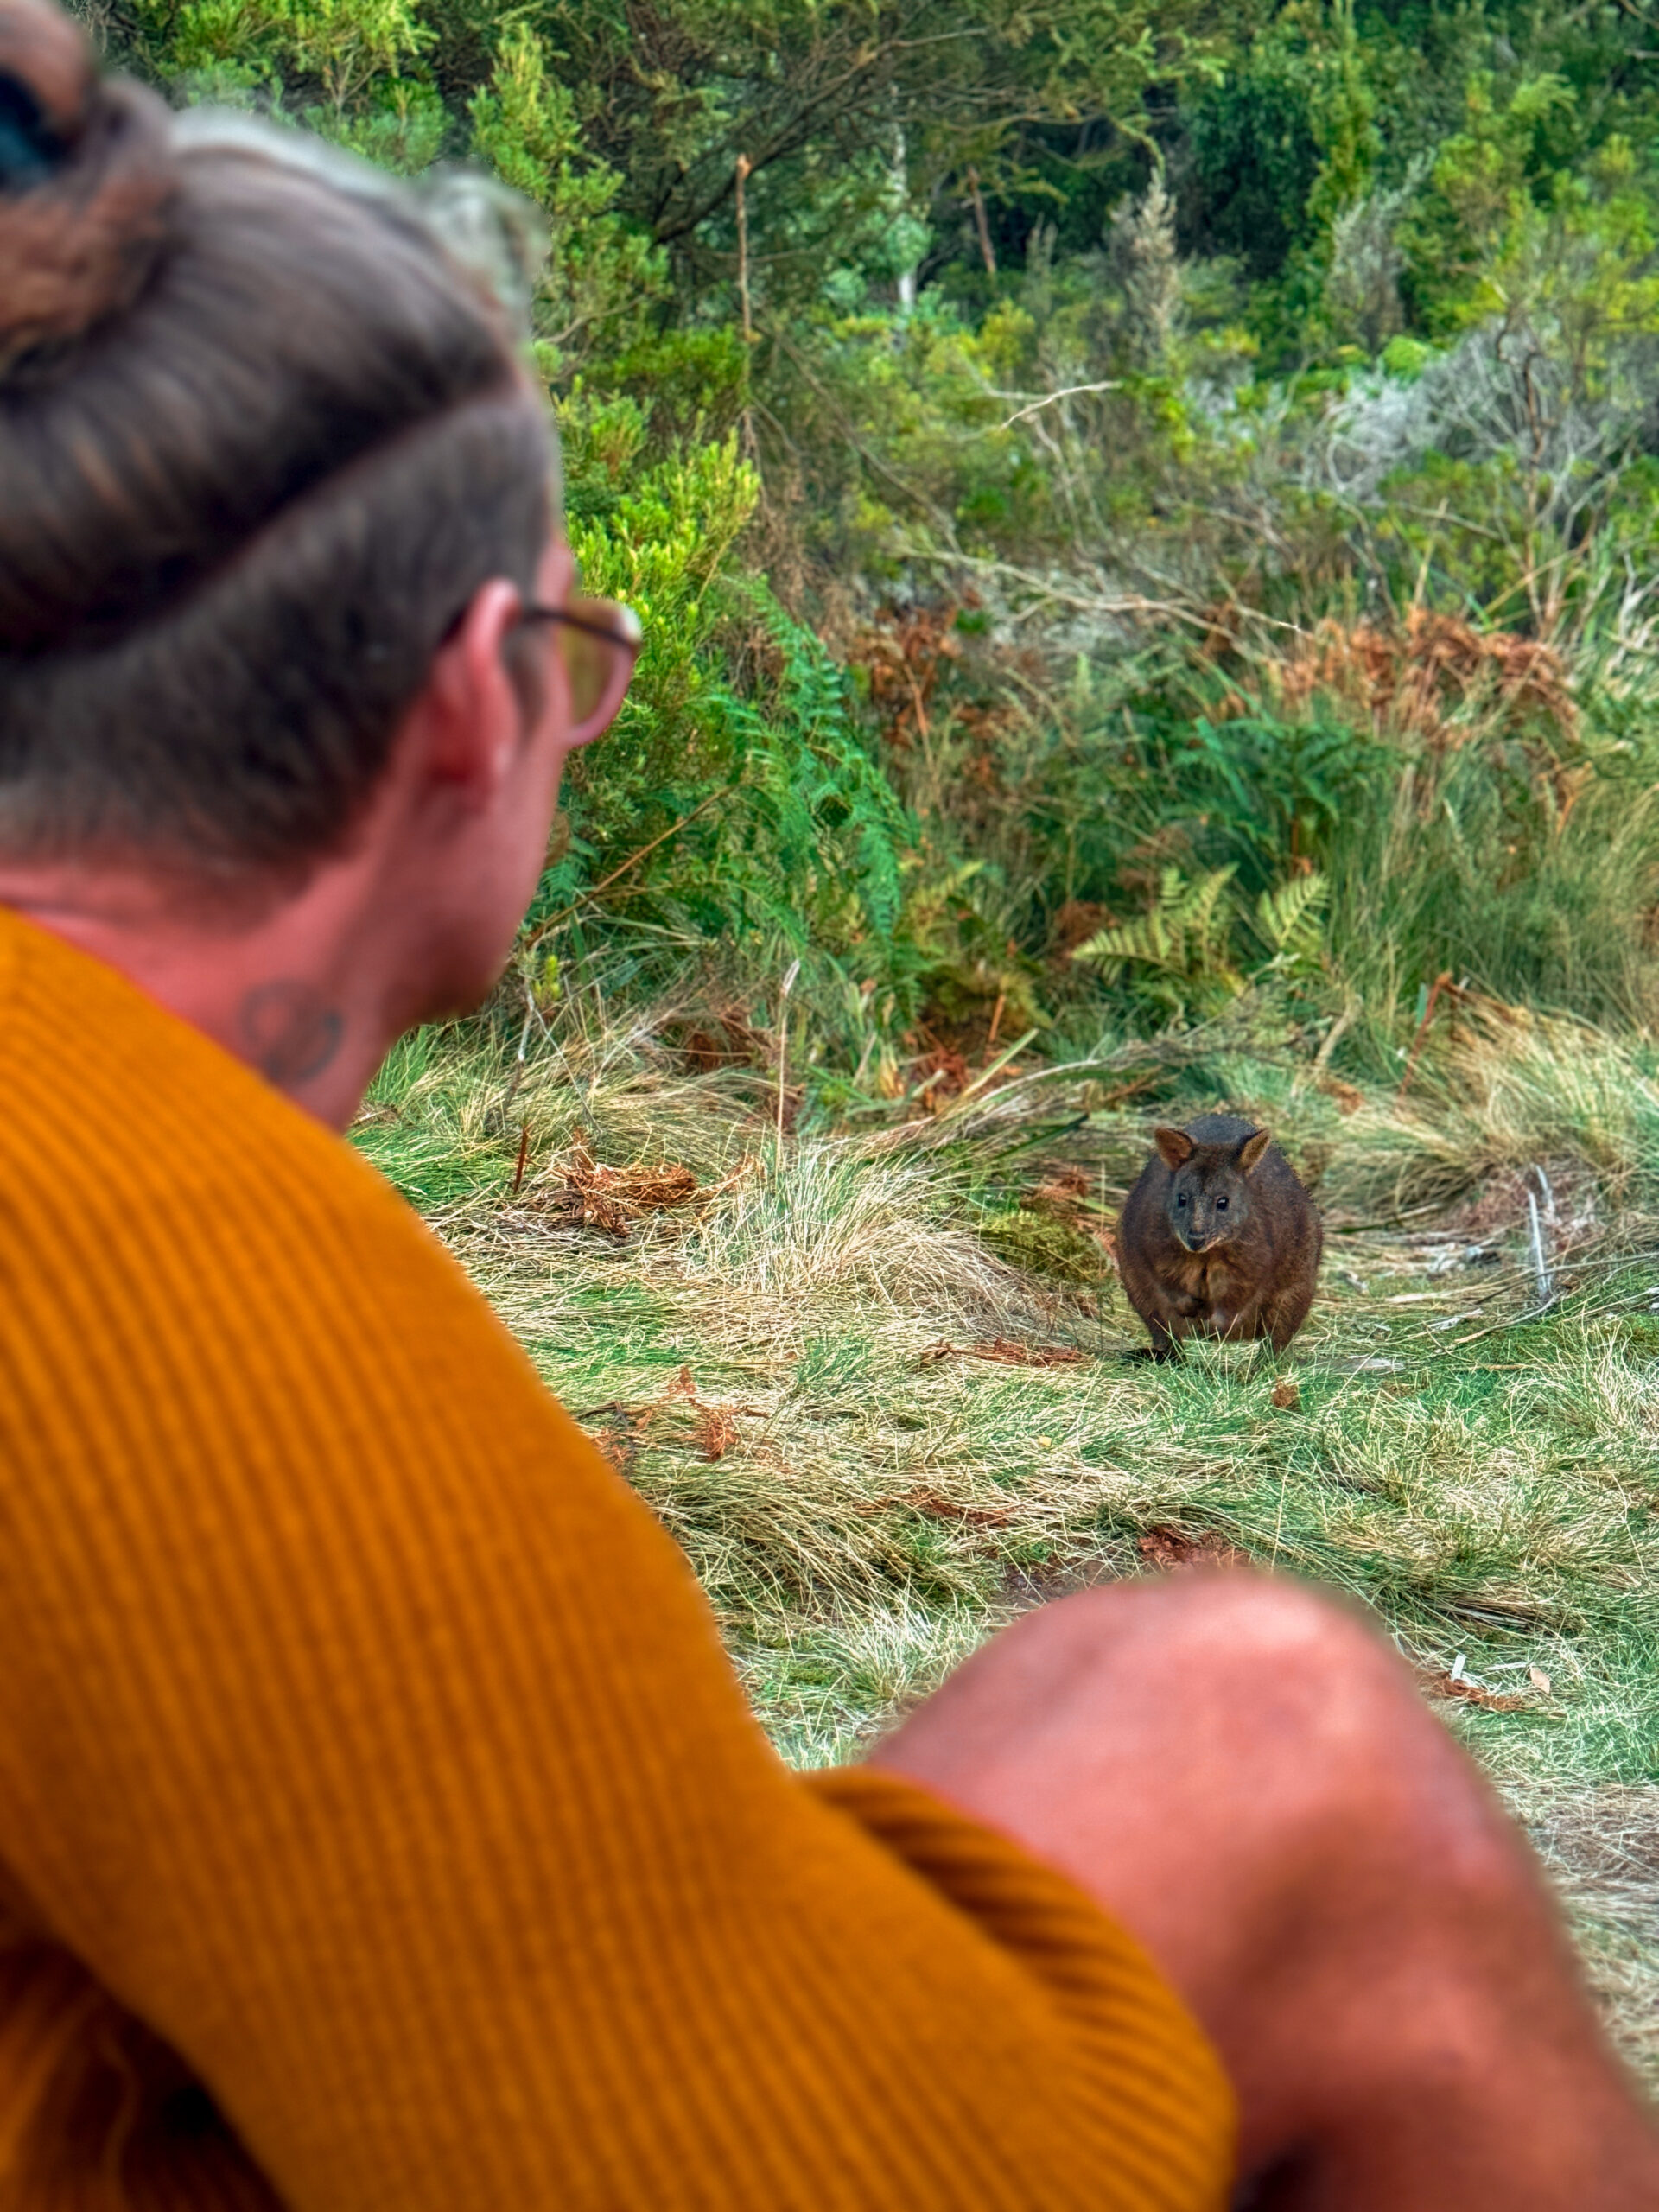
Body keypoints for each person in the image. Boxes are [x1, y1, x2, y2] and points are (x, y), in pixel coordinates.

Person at [0, 3, 1652, 2204]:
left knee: (1180, 1691)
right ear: (472, 710)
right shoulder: (172, 1290)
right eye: (589, 653)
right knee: (1309, 1745)